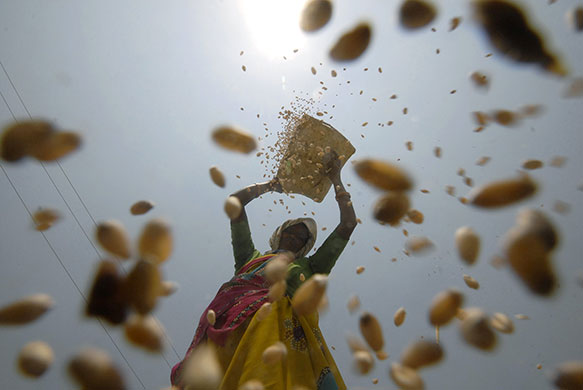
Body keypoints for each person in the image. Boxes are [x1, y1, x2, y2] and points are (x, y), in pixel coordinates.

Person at [171, 152, 357, 389]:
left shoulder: (311, 267)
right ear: (280, 233)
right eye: (291, 231)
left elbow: (348, 224)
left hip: (286, 339)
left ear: (306, 246)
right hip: (233, 331)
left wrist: (336, 179)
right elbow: (234, 203)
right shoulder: (252, 258)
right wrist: (272, 186)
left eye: (302, 237)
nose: (295, 238)